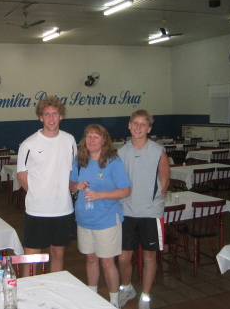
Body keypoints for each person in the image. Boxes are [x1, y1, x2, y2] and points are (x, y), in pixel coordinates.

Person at [69, 124, 131, 308]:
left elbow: (125, 191)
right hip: (84, 219)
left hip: (106, 220)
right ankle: (92, 295)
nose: (92, 140)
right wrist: (75, 186)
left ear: (104, 140)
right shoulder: (79, 161)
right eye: (88, 136)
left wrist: (100, 195)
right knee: (91, 258)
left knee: (107, 262)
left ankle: (113, 301)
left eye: (96, 137)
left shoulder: (113, 162)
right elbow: (71, 183)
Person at [17, 96, 77, 273]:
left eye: (55, 114)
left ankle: (55, 292)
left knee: (58, 254)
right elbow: (21, 175)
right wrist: (39, 194)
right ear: (40, 117)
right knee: (31, 259)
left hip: (63, 210)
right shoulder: (29, 144)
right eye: (47, 114)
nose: (51, 118)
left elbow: (71, 170)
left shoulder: (70, 141)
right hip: (37, 211)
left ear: (61, 116)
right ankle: (29, 297)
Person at [117, 109, 170, 309]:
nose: (138, 127)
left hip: (150, 213)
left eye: (143, 124)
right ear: (129, 126)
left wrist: (155, 199)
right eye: (135, 123)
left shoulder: (158, 151)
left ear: (149, 128)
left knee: (149, 256)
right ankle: (127, 287)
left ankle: (145, 296)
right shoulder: (121, 152)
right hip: (127, 212)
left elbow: (164, 180)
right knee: (123, 258)